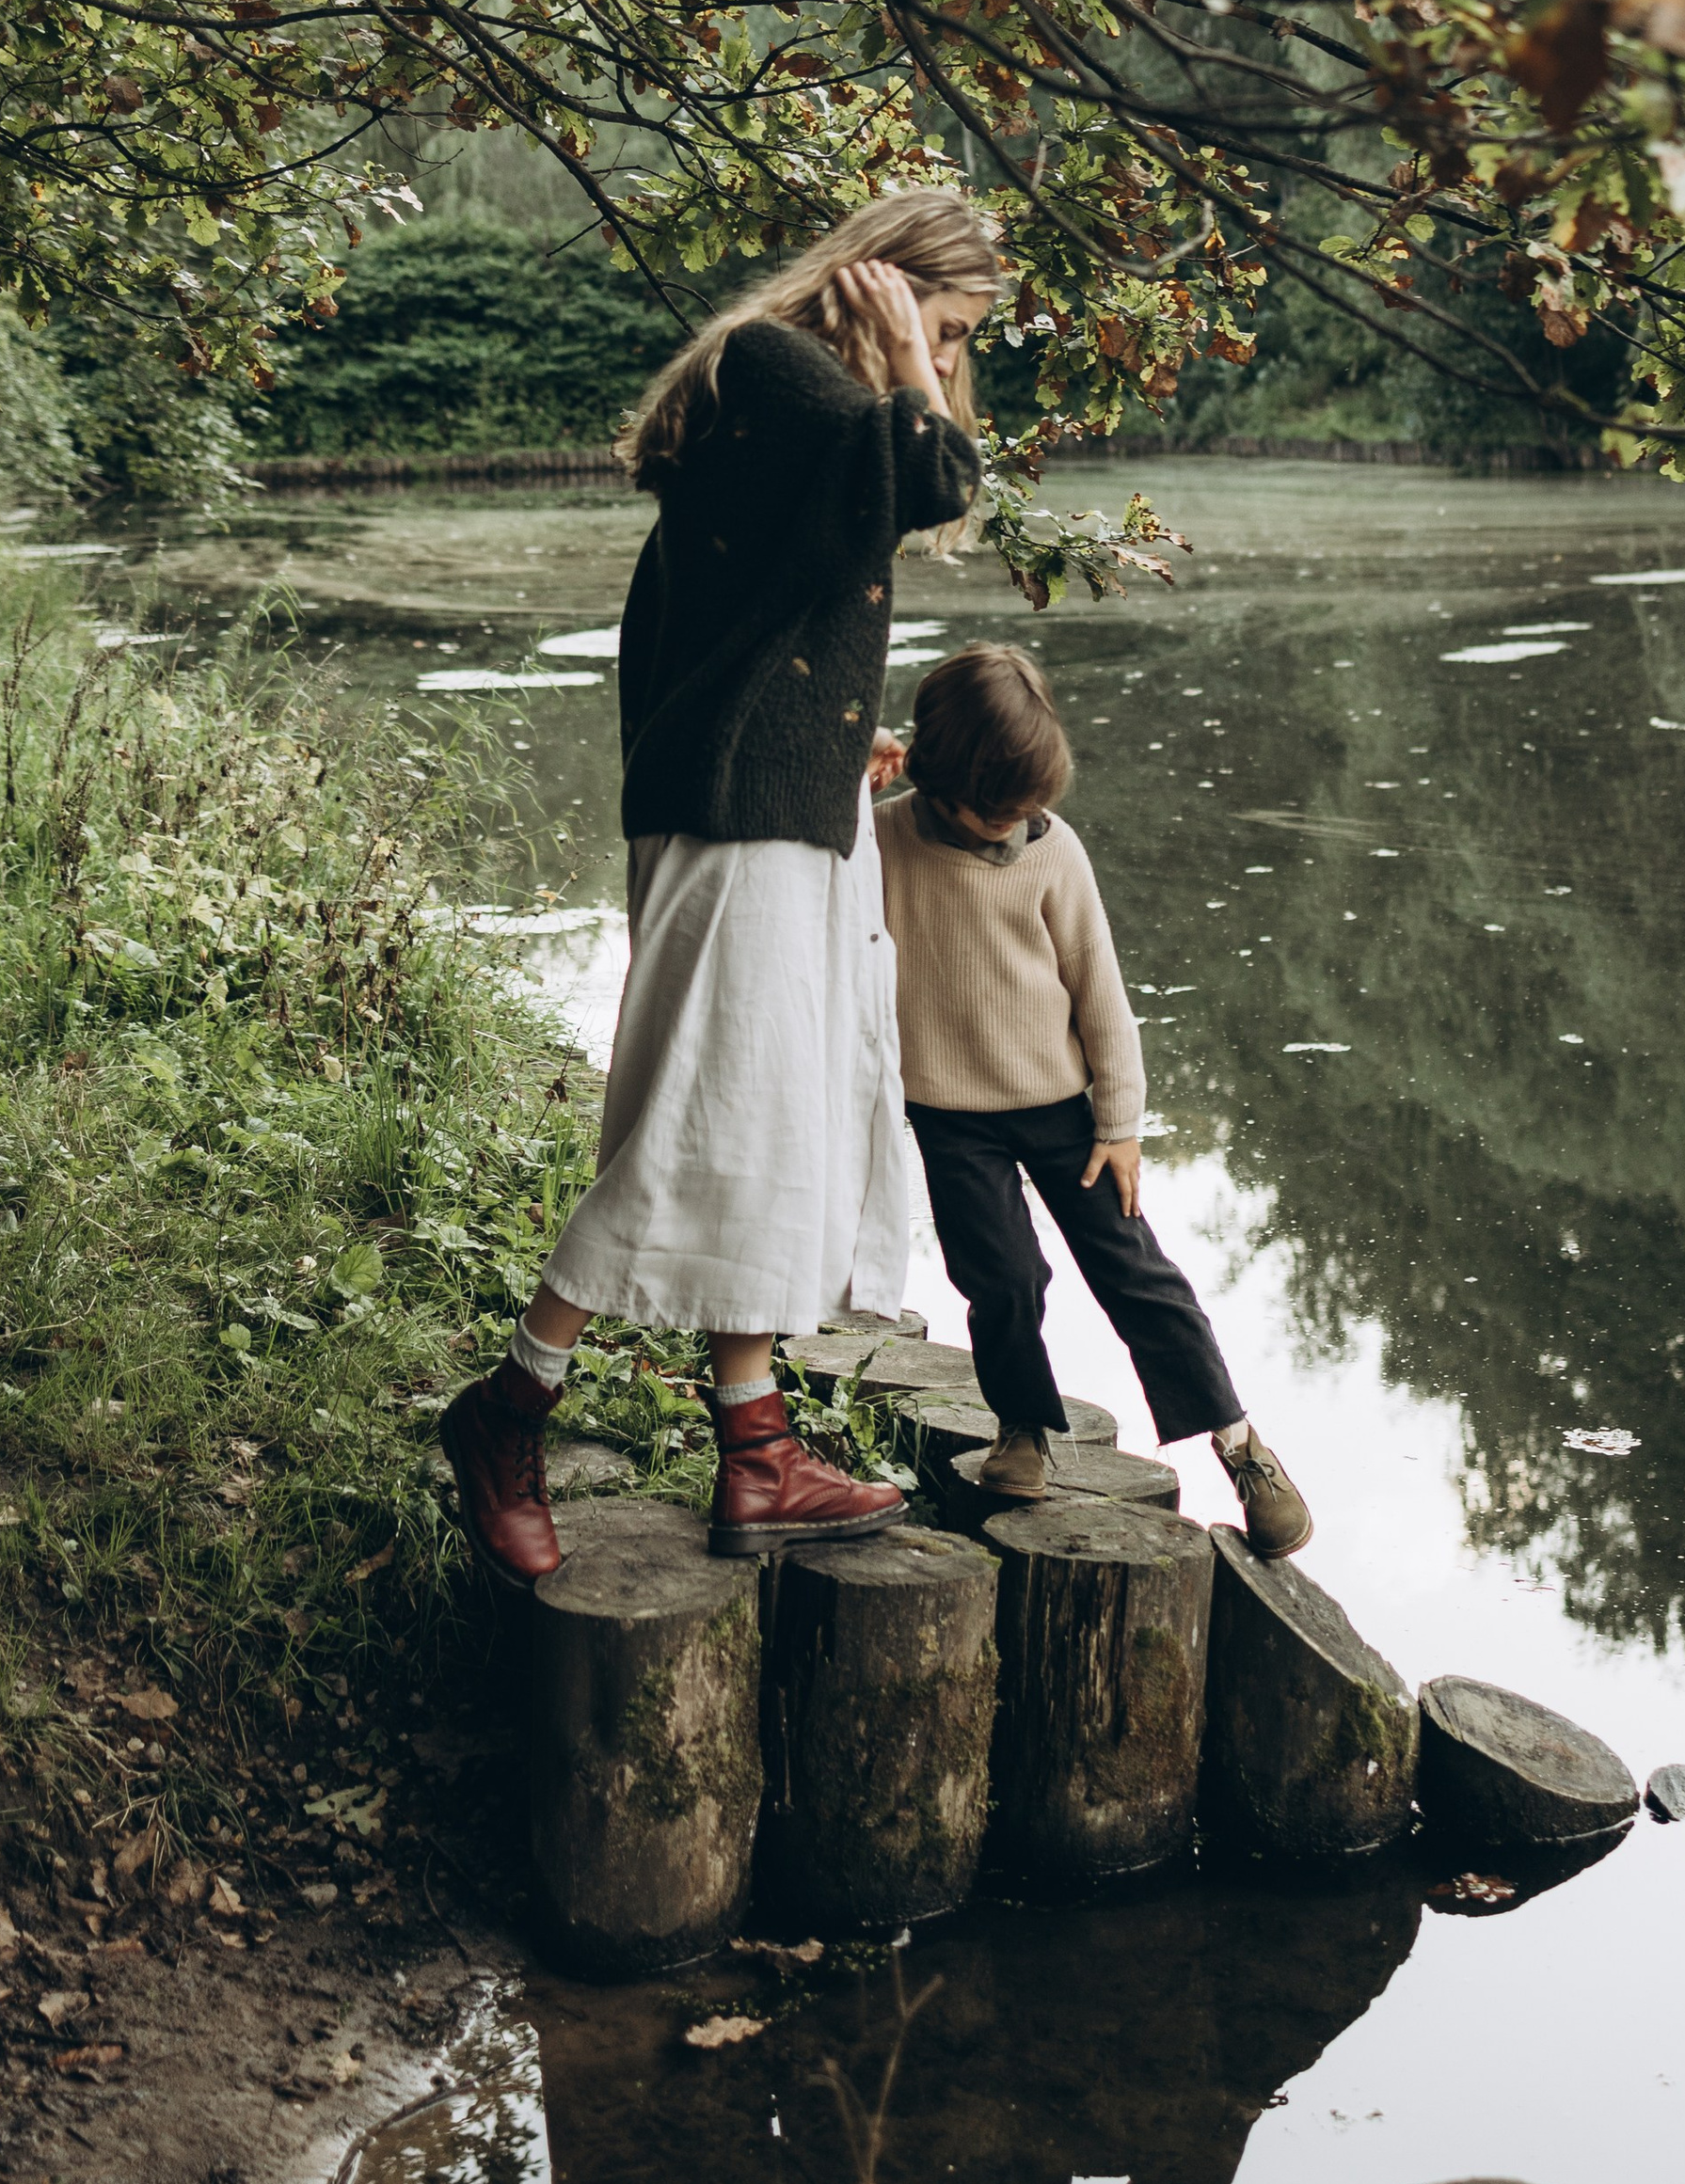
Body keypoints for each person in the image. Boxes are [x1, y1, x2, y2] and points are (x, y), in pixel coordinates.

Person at [440, 189, 997, 1586]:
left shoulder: (794, 397)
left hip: (775, 806)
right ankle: (508, 1411)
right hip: (735, 821)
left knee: (763, 1118)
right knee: (692, 1119)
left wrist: (824, 745)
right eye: (942, 325)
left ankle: (756, 1450)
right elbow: (936, 479)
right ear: (877, 291)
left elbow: (765, 611)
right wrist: (913, 370)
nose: (947, 357)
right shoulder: (782, 371)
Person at [876, 640, 1313, 1558]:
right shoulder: (881, 838)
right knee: (999, 1281)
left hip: (1066, 1113)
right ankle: (1022, 1429)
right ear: (932, 775)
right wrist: (852, 778)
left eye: (1026, 808)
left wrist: (1120, 1124)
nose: (1010, 825)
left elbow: (1101, 997)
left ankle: (1239, 1445)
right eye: (993, 809)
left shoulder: (1053, 853)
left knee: (1134, 1273)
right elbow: (810, 865)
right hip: (949, 1117)